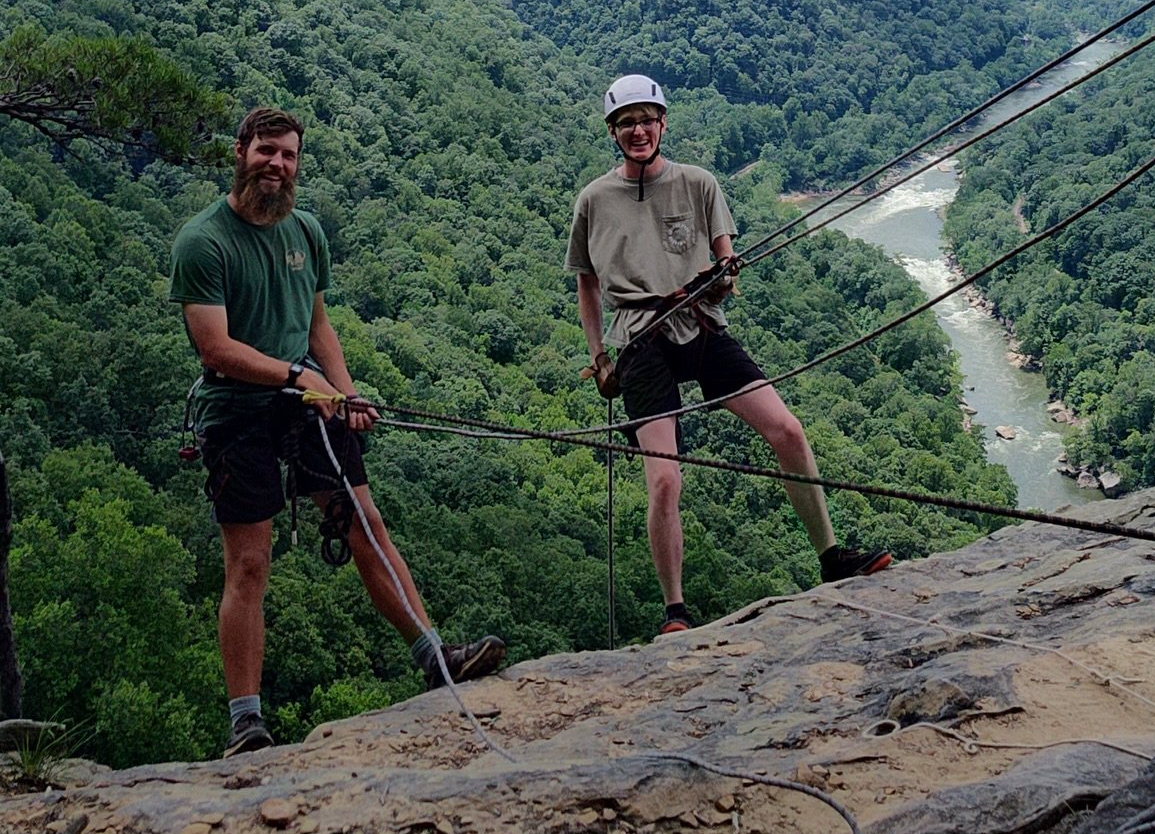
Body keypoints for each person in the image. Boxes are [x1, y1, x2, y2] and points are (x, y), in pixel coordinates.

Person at [170, 106, 505, 758]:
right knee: (248, 563)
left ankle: (437, 658)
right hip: (236, 412)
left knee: (365, 525)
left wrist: (344, 390)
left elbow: (318, 324)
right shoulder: (202, 241)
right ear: (240, 152)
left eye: (289, 155)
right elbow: (216, 349)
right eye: (267, 151)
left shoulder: (306, 233)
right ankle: (246, 722)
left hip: (308, 400)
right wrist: (301, 378)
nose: (278, 165)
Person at [567, 75, 891, 637]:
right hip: (641, 341)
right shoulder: (594, 200)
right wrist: (599, 356)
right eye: (627, 123)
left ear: (663, 124)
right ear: (614, 133)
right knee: (665, 480)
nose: (638, 130)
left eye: (647, 120)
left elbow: (725, 257)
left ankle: (832, 556)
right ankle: (675, 611)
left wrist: (721, 279)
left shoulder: (698, 183)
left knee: (787, 430)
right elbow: (587, 284)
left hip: (701, 323)